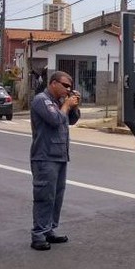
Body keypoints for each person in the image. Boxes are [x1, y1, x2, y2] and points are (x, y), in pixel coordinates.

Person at [29, 70, 81, 251]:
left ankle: (49, 229)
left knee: (57, 196)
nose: (68, 90)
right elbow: (55, 119)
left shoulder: (58, 102)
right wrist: (66, 105)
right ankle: (38, 234)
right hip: (44, 156)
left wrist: (73, 106)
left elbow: (71, 121)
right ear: (53, 83)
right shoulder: (41, 100)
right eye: (65, 86)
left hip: (59, 155)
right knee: (44, 196)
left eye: (70, 87)